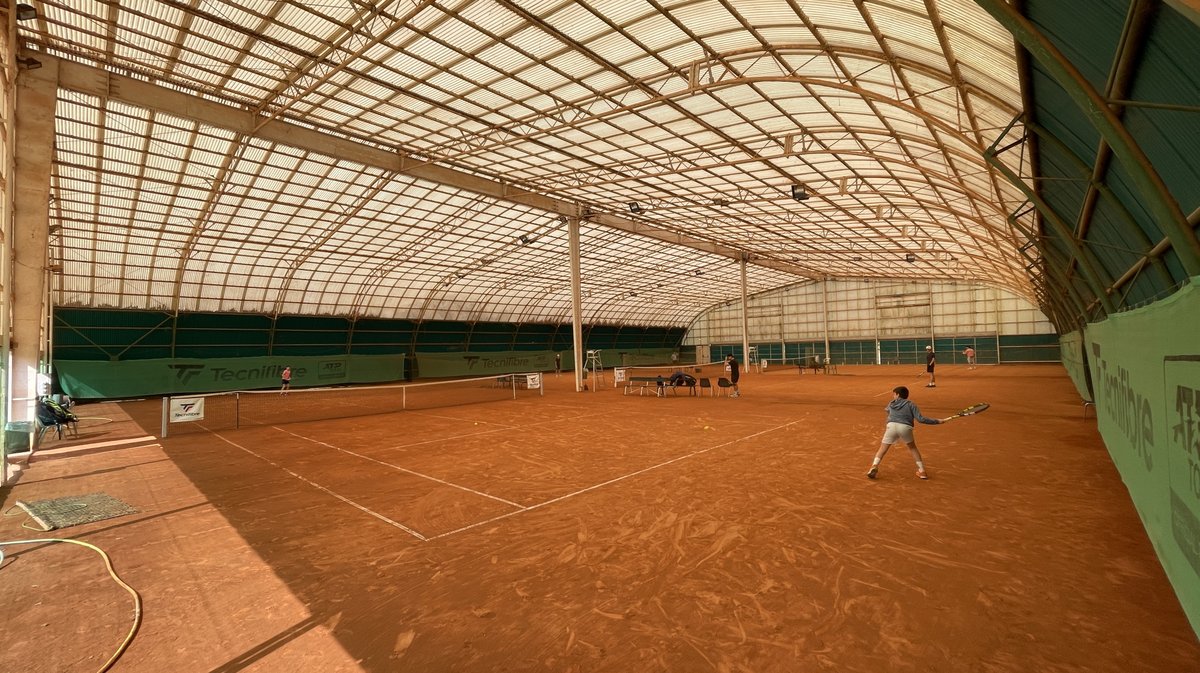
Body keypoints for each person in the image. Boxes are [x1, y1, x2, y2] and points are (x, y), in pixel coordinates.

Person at [867, 385, 943, 480]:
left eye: (894, 394)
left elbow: (887, 411)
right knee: (912, 448)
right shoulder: (911, 404)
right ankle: (922, 471)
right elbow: (921, 419)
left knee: (882, 449)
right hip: (905, 427)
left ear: (898, 395)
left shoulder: (891, 403)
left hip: (891, 426)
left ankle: (874, 466)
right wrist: (937, 421)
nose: (893, 396)